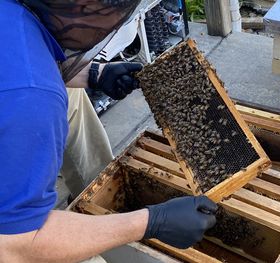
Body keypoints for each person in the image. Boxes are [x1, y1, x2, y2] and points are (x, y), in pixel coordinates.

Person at [0, 0, 217, 262]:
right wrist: (149, 223)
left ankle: (101, 195)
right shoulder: (33, 99)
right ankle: (100, 227)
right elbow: (15, 247)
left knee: (73, 100)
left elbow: (16, 62)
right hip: (12, 244)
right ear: (85, 9)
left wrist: (95, 74)